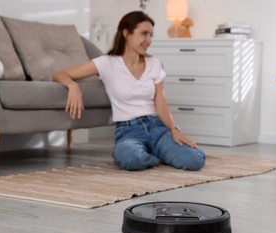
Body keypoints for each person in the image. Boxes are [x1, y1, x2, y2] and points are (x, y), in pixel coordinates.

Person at [53, 11, 206, 171]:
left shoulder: (154, 63)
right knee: (131, 159)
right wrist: (73, 86)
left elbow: (161, 102)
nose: (149, 40)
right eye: (144, 34)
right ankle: (156, 157)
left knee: (195, 160)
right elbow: (60, 74)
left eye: (150, 35)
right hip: (128, 131)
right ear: (126, 33)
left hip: (157, 128)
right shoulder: (106, 63)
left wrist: (174, 129)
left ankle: (156, 151)